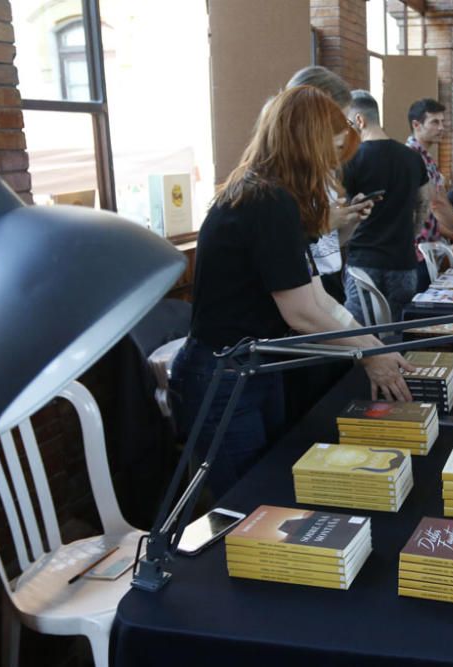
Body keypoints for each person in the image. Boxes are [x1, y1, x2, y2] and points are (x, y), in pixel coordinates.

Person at [170, 86, 413, 497]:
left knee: (272, 487)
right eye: (330, 153)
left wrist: (374, 347)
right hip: (224, 376)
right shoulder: (268, 200)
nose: (332, 168)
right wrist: (369, 354)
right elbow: (300, 311)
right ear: (307, 145)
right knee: (247, 503)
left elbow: (318, 297)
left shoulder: (272, 195)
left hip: (253, 367)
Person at [286, 66, 375, 304]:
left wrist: (351, 219)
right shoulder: (283, 184)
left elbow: (328, 244)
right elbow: (287, 246)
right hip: (306, 289)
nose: (345, 133)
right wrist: (322, 225)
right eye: (339, 121)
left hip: (329, 282)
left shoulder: (325, 173)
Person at [342, 90, 429, 323]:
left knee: (359, 338)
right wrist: (412, 233)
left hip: (364, 261)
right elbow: (424, 202)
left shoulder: (351, 159)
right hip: (403, 260)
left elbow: (343, 210)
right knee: (399, 333)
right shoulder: (412, 157)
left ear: (359, 120)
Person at [406, 98, 453, 291]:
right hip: (416, 253)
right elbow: (437, 205)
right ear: (416, 125)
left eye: (443, 122)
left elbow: (440, 201)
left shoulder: (425, 157)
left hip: (428, 247)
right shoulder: (414, 156)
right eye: (435, 122)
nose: (441, 127)